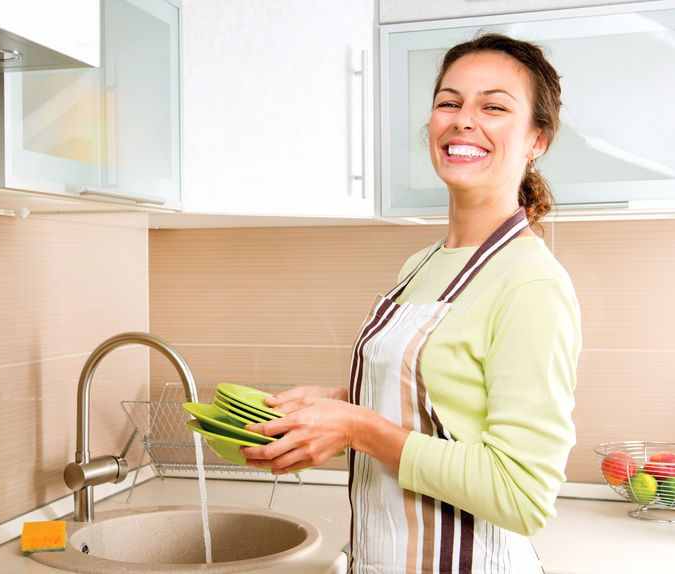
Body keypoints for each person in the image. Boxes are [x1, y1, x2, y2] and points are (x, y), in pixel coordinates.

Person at [241, 33, 581, 573]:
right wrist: (335, 407)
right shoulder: (421, 265)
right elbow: (443, 407)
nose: (463, 121)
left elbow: (523, 495)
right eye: (449, 102)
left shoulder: (531, 283)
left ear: (536, 139)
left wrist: (358, 427)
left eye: (493, 107)